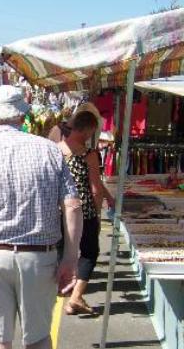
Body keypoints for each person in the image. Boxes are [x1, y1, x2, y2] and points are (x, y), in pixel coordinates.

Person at [0, 86, 83, 349]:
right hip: (39, 257)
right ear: (22, 116)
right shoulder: (50, 150)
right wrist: (70, 258)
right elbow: (73, 206)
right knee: (39, 338)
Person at [57, 111, 105, 315]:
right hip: (83, 209)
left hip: (57, 209)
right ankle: (76, 296)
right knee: (89, 252)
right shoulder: (89, 154)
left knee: (60, 249)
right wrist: (97, 212)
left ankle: (61, 288)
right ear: (86, 129)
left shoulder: (54, 150)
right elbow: (95, 188)